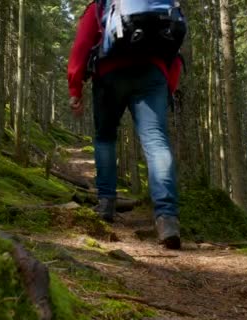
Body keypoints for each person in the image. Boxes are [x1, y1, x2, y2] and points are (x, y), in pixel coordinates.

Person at [67, 0, 184, 249]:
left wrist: (75, 90)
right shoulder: (159, 5)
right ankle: (167, 218)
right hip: (152, 74)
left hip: (110, 74)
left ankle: (106, 203)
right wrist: (167, 90)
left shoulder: (101, 5)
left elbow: (80, 47)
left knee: (105, 138)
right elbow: (174, 50)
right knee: (156, 140)